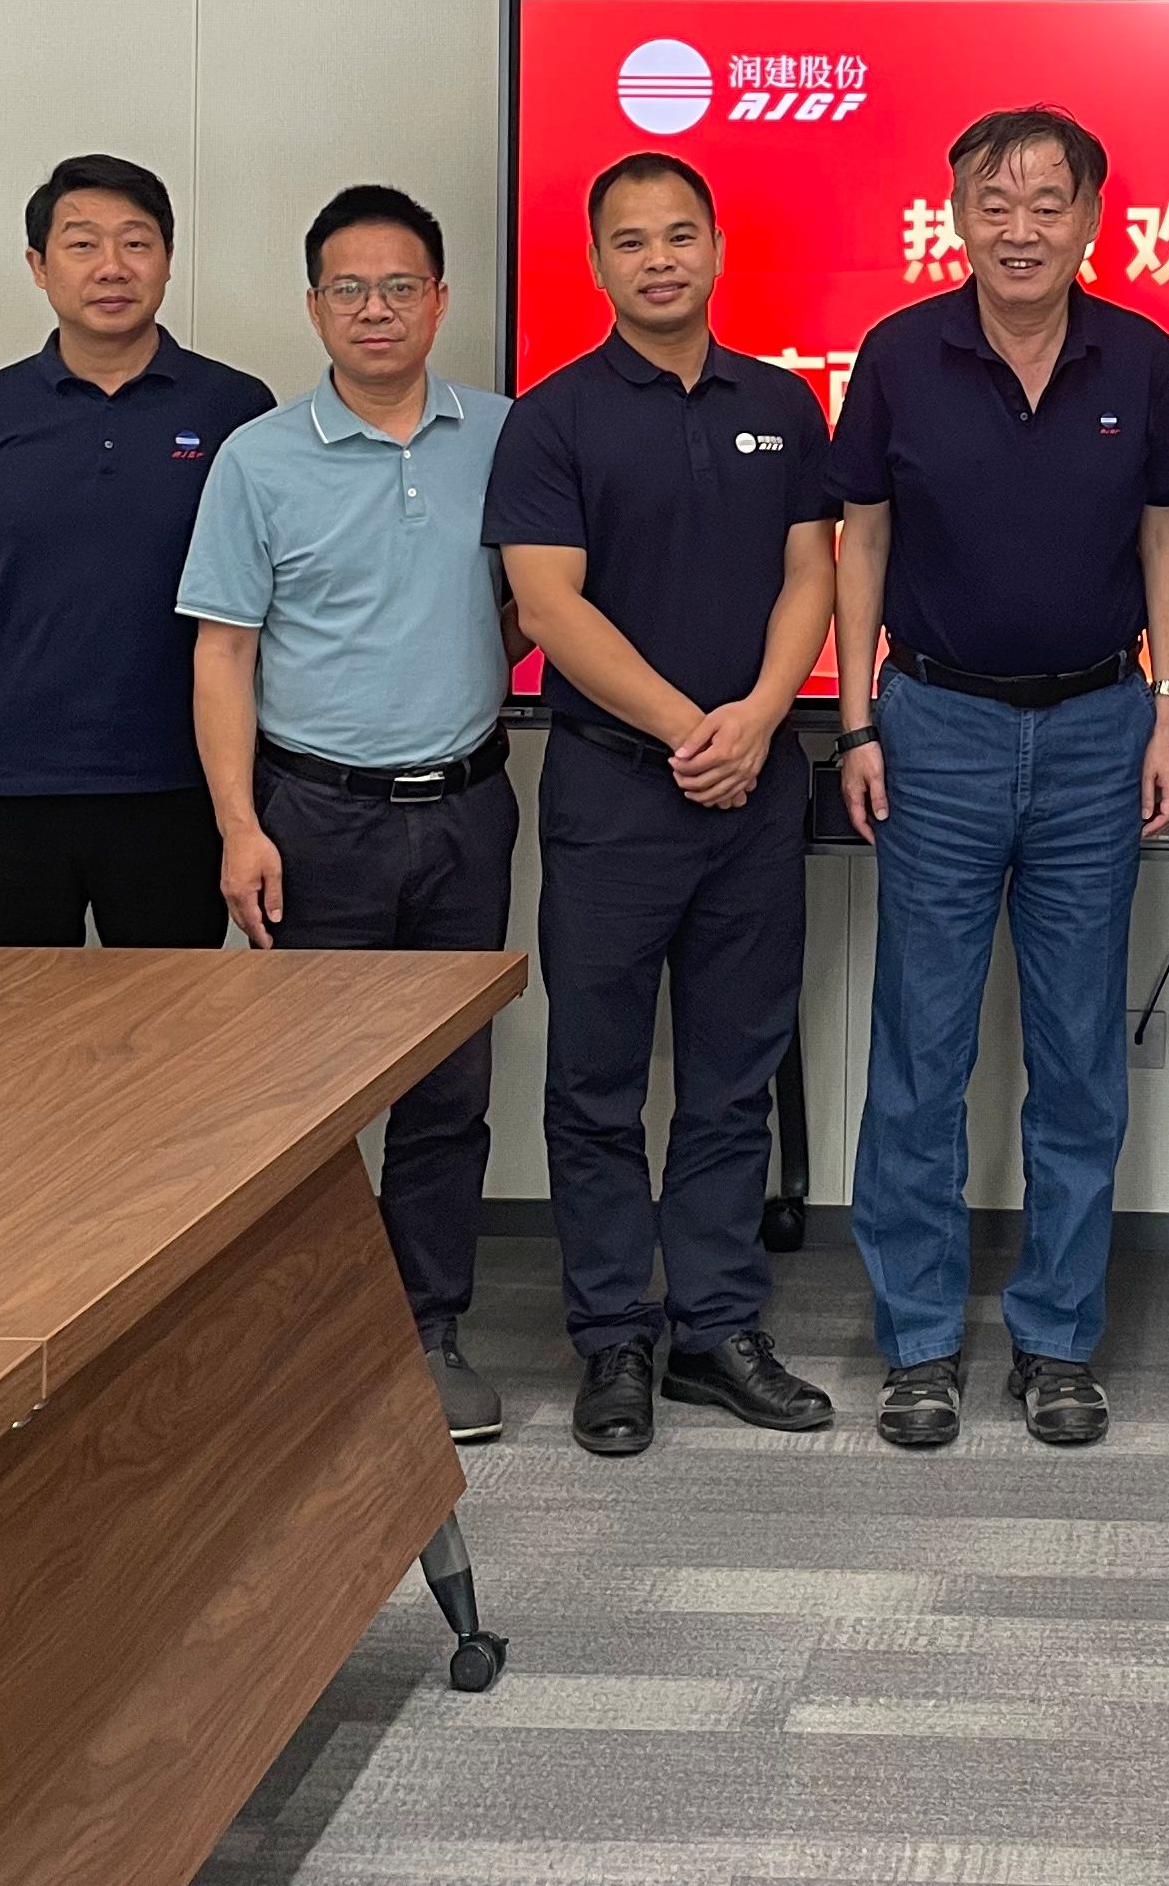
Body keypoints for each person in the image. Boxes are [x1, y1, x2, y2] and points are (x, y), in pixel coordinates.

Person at [831, 107, 1169, 1453]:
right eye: (996, 201)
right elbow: (861, 541)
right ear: (957, 216)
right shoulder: (898, 354)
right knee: (920, 1052)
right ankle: (918, 1342)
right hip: (935, 730)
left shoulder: (1141, 356)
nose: (1022, 226)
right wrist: (857, 724)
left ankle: (1057, 1339)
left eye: (1049, 202)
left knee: (1079, 1052)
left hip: (1099, 729)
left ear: (1092, 218)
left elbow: (1168, 540)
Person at [487, 154, 840, 1460]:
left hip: (755, 786)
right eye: (630, 241)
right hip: (616, 792)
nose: (658, 260)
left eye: (679, 235)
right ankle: (613, 1338)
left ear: (717, 248)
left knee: (733, 1078)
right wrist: (692, 729)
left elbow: (813, 572)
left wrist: (758, 717)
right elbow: (547, 606)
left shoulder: (785, 404)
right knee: (595, 1082)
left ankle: (715, 1329)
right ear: (596, 264)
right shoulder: (553, 418)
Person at [179, 183, 522, 1441]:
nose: (375, 310)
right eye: (349, 290)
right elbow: (223, 653)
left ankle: (429, 1332)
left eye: (399, 287)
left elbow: (533, 603)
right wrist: (239, 824)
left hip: (469, 810)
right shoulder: (259, 457)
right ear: (315, 305)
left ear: (440, 299)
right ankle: (307, 1335)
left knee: (449, 1094)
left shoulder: (505, 435)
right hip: (313, 817)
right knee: (304, 1100)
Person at [0, 157, 274, 956]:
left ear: (167, 261)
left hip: (178, 784)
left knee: (174, 1022)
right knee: (13, 1023)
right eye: (82, 244)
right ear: (39, 266)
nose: (112, 267)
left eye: (136, 243)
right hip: (7, 785)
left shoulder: (235, 408)